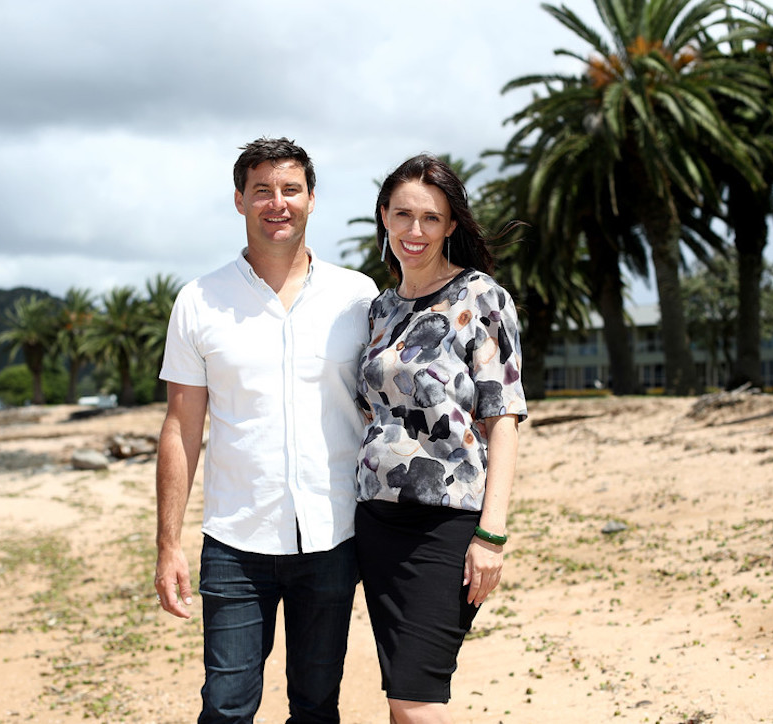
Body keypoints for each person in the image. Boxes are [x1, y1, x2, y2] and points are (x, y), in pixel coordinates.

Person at [154, 137, 378, 724]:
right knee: (226, 709)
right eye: (262, 191)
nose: (276, 203)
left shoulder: (357, 297)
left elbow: (386, 412)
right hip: (235, 541)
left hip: (334, 536)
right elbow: (180, 426)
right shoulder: (199, 300)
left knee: (315, 707)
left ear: (311, 199)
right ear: (239, 200)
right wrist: (168, 544)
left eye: (290, 190)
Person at [354, 154, 528, 724]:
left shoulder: (481, 298)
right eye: (402, 214)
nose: (415, 230)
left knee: (417, 699)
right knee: (403, 697)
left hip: (447, 523)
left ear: (451, 225)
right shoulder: (379, 310)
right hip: (377, 523)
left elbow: (503, 418)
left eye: (431, 217)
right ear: (383, 217)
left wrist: (492, 535)